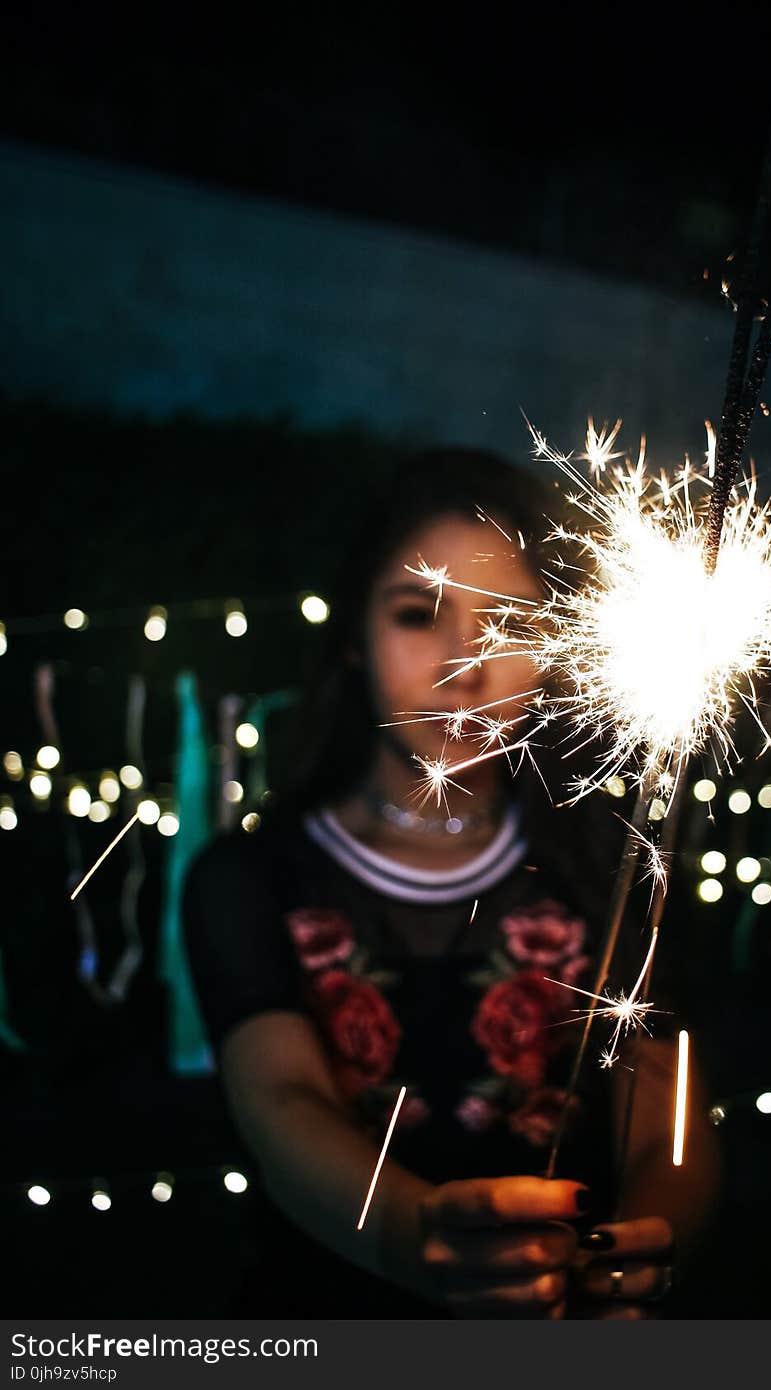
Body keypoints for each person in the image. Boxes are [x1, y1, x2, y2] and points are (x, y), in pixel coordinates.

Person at [183, 446, 720, 1319]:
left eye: (508, 619)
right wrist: (410, 1235)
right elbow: (282, 1096)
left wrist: (650, 1240)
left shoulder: (615, 865)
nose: (465, 668)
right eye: (419, 613)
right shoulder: (247, 879)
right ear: (355, 636)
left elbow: (665, 1106)